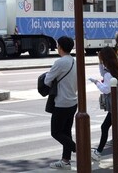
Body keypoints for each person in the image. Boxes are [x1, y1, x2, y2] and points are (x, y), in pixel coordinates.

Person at [44, 35, 78, 170]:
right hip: (73, 101)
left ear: (61, 47)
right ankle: (65, 161)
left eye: (58, 45)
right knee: (66, 131)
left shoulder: (60, 62)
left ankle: (80, 150)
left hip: (62, 102)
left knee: (56, 132)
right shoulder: (74, 61)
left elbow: (47, 80)